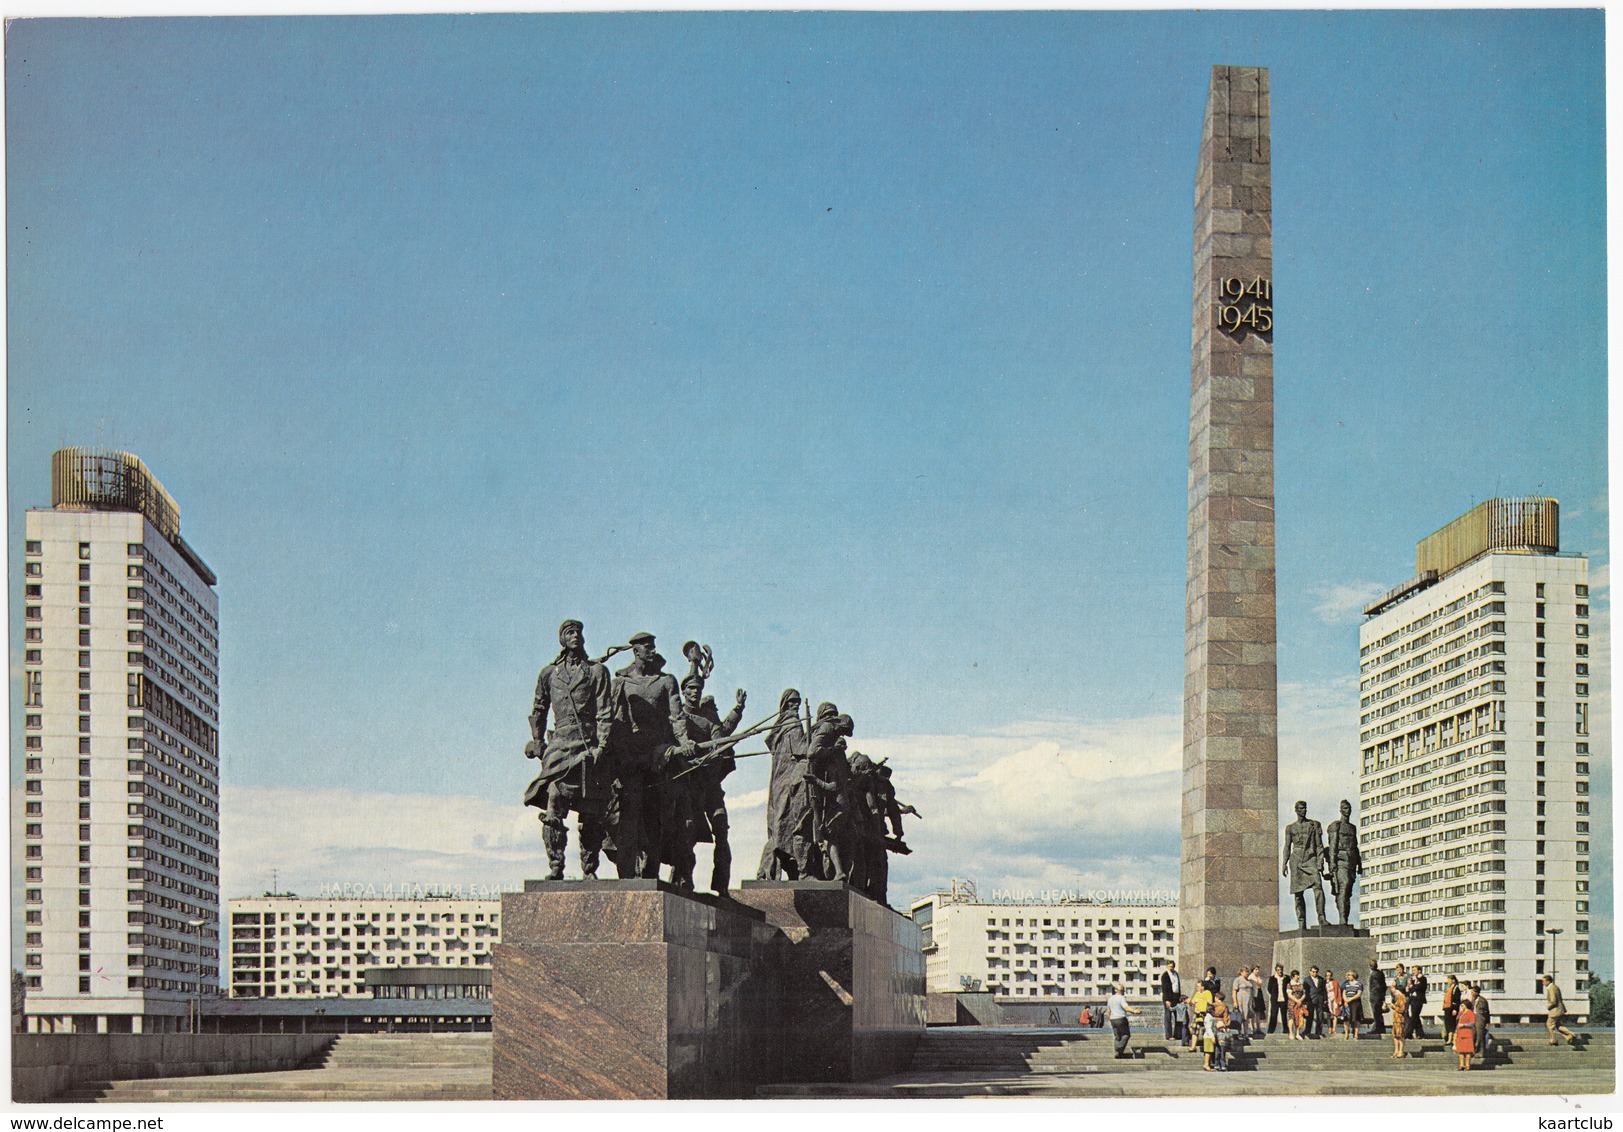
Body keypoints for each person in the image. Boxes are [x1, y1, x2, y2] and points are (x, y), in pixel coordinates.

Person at [524, 620, 614, 880]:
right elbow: (539, 709)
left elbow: (605, 712)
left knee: (591, 811)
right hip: (560, 746)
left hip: (588, 746)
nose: (576, 636)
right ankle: (556, 866)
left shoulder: (597, 672)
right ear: (561, 640)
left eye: (579, 632)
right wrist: (537, 740)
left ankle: (589, 870)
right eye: (570, 633)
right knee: (554, 800)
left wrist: (602, 745)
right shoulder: (549, 674)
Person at [608, 632, 695, 879]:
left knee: (655, 819)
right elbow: (615, 720)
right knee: (629, 817)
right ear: (635, 652)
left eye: (653, 647)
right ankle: (625, 875)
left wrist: (685, 741)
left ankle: (650, 875)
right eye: (647, 648)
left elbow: (676, 716)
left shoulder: (666, 681)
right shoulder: (621, 683)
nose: (652, 651)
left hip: (658, 760)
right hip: (631, 760)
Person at [675, 672, 745, 892]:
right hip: (687, 785)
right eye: (691, 689)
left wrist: (737, 710)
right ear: (683, 691)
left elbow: (721, 734)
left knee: (721, 827)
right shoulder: (677, 718)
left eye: (698, 689)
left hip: (710, 786)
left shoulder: (708, 719)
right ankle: (684, 878)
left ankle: (721, 885)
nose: (695, 692)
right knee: (687, 832)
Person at [1282, 799, 1328, 931]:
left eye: (1305, 808)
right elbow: (1287, 847)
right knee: (1298, 894)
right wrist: (1284, 863)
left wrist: (1320, 861)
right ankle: (1301, 923)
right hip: (1296, 860)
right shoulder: (1290, 828)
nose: (1304, 811)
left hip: (1310, 859)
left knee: (1318, 886)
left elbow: (1319, 846)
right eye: (1301, 809)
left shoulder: (1313, 825)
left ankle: (1321, 917)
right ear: (1296, 810)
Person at [1323, 798, 1363, 925]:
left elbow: (1355, 846)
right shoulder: (1336, 826)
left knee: (1348, 893)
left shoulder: (1352, 828)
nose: (1348, 811)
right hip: (1340, 862)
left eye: (1349, 808)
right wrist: (1332, 865)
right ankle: (1342, 918)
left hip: (1351, 862)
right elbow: (1333, 845)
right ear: (1340, 810)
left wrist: (1359, 864)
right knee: (1343, 887)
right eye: (1345, 808)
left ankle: (1345, 918)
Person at [1105, 984, 1142, 1059]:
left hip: (1113, 1019)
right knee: (1126, 1035)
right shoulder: (1121, 998)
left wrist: (1111, 1020)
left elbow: (1108, 1012)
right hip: (1121, 1018)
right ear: (1122, 991)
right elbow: (1126, 1007)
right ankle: (1118, 1048)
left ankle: (1118, 1054)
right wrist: (1134, 1011)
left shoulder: (1110, 999)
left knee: (1117, 1037)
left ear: (1115, 990)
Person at [1544, 975, 1578, 1046]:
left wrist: (1548, 1007)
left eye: (1543, 981)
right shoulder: (1555, 987)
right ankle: (1570, 1035)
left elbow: (1553, 1001)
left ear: (1548, 981)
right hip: (1560, 1010)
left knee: (1549, 1024)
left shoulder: (1551, 988)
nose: (1543, 983)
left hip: (1555, 1010)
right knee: (1558, 1025)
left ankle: (1553, 1040)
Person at [1160, 959, 1182, 1041]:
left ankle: (1177, 1034)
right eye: (1169, 966)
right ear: (1167, 966)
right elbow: (1165, 988)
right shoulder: (1165, 975)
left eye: (1172, 966)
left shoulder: (1176, 974)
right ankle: (1168, 1035)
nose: (1171, 968)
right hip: (1169, 998)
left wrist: (1179, 997)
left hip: (1176, 998)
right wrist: (1167, 1000)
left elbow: (1178, 986)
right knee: (1168, 1017)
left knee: (1178, 1016)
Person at [1365, 959, 1387, 1038]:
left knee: (1376, 1012)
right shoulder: (1380, 973)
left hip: (1375, 996)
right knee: (1378, 1013)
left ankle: (1377, 1028)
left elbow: (1377, 986)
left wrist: (1374, 994)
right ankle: (1381, 1028)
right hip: (1379, 996)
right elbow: (1383, 986)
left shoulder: (1374, 974)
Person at [1454, 995, 1477, 1070]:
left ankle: (1467, 1065)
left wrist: (1463, 1025)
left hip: (1467, 1033)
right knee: (1460, 1051)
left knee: (1467, 1051)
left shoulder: (1470, 1013)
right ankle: (1461, 1065)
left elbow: (1472, 1023)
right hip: (1460, 1034)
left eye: (1462, 1005)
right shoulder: (1461, 1013)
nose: (1461, 1007)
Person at [1470, 984, 1491, 1064]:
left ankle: (1481, 1052)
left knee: (1480, 1036)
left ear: (1476, 992)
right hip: (1474, 1018)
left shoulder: (1482, 1000)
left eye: (1473, 992)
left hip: (1480, 1019)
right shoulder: (1473, 1000)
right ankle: (1475, 1050)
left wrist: (1487, 1022)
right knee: (1473, 1035)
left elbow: (1486, 1012)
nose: (1471, 993)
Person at [1230, 966, 1253, 1041]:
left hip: (1248, 1001)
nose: (1247, 973)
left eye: (1247, 971)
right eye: (1245, 971)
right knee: (1240, 1017)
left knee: (1246, 1018)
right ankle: (1239, 1033)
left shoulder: (1249, 981)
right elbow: (1234, 992)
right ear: (1241, 972)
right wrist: (1235, 1002)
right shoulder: (1238, 980)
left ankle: (1246, 1034)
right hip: (1240, 1001)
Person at [1408, 965, 1428, 1040]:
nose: (1413, 972)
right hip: (1413, 999)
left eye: (1414, 970)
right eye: (1412, 970)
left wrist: (1413, 986)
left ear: (1419, 971)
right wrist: (1413, 986)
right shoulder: (1414, 979)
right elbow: (1410, 989)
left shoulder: (1422, 978)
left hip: (1419, 999)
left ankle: (1408, 1033)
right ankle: (1420, 1034)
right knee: (1415, 1016)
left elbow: (1420, 987)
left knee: (1414, 1016)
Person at [1341, 970, 1363, 1039]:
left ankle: (1356, 1034)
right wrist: (1346, 1001)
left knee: (1356, 1018)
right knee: (1346, 1019)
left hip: (1355, 1002)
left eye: (1349, 975)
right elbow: (1344, 992)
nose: (1348, 976)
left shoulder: (1359, 984)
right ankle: (1346, 1034)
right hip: (1347, 1002)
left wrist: (1350, 999)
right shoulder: (1346, 983)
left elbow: (1358, 994)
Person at [1390, 983, 1409, 1059]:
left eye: (1395, 991)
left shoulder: (1402, 998)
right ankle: (1396, 1051)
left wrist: (1394, 1007)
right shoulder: (1398, 998)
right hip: (1396, 1019)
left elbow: (1402, 1009)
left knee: (1400, 1035)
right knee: (1395, 1035)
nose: (1394, 993)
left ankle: (1400, 1051)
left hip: (1400, 1020)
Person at [1286, 973, 1308, 1040]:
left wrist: (1300, 1000)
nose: (1298, 976)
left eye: (1298, 975)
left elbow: (1304, 994)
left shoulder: (1300, 984)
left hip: (1300, 1003)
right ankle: (1291, 1033)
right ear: (1293, 976)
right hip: (1292, 1003)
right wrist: (1296, 1000)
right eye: (1297, 975)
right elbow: (1289, 995)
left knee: (1298, 1018)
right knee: (1291, 1018)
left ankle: (1297, 1033)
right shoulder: (1289, 984)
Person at [1267, 964, 1287, 1034]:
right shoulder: (1272, 978)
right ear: (1276, 971)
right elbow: (1269, 989)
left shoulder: (1286, 978)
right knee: (1273, 1015)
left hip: (1284, 999)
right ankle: (1271, 1030)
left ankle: (1285, 1030)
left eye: (1281, 970)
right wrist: (1274, 995)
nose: (1280, 971)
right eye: (1278, 970)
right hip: (1275, 1000)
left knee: (1284, 1015)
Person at [1441, 974, 1461, 1043]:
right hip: (1447, 1007)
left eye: (1449, 980)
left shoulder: (1456, 989)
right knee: (1447, 1023)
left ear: (1453, 980)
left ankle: (1451, 1039)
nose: (1448, 982)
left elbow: (1457, 1000)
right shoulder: (1449, 988)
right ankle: (1449, 1038)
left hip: (1451, 1008)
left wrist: (1455, 1008)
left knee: (1451, 1024)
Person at [1326, 969, 1345, 1038]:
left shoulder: (1335, 982)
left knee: (1335, 1013)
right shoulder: (1324, 982)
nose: (1328, 977)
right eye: (1327, 975)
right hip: (1328, 998)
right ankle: (1329, 1028)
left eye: (1330, 975)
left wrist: (1339, 1000)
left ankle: (1334, 1028)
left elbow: (1339, 991)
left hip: (1334, 998)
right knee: (1329, 1013)